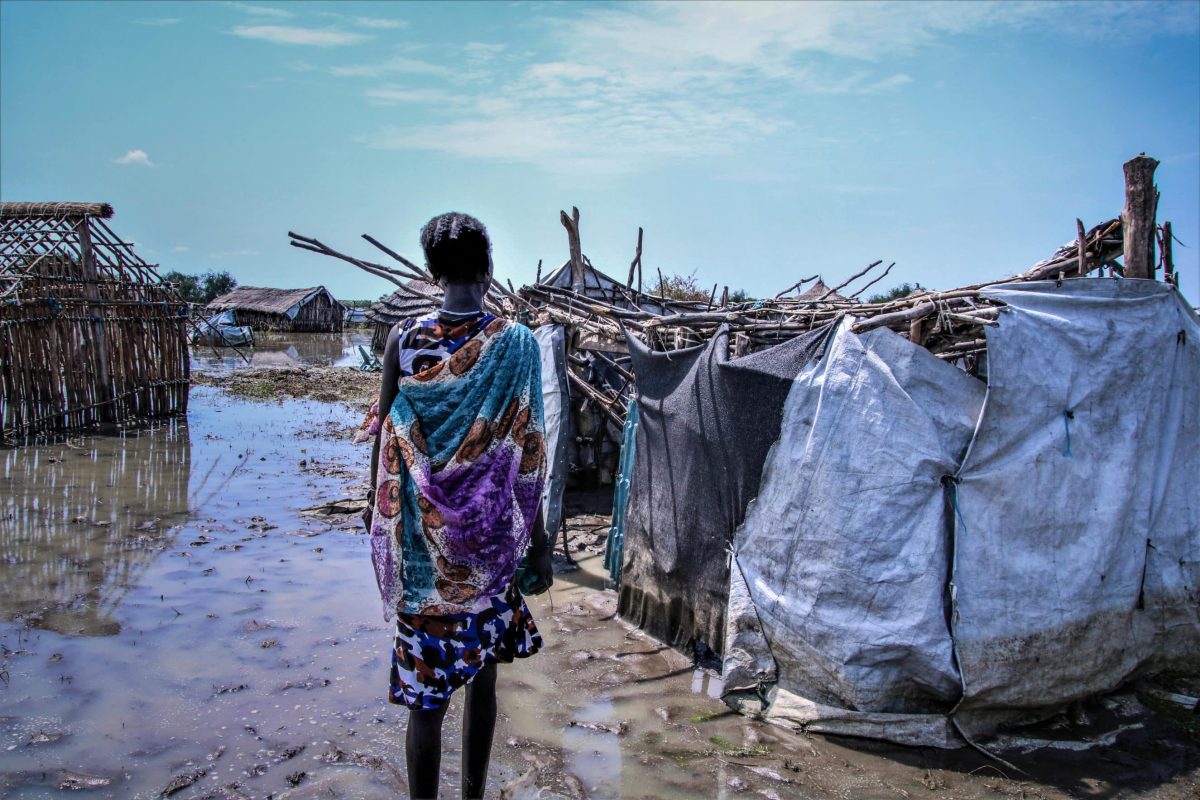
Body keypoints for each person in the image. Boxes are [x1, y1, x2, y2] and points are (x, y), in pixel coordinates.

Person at [367, 212, 553, 799]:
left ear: (430, 271)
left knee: (425, 700)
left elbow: (385, 442)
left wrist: (372, 518)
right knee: (482, 678)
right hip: (490, 546)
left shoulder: (405, 341)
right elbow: (528, 450)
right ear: (489, 267)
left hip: (422, 548)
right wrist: (539, 536)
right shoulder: (516, 343)